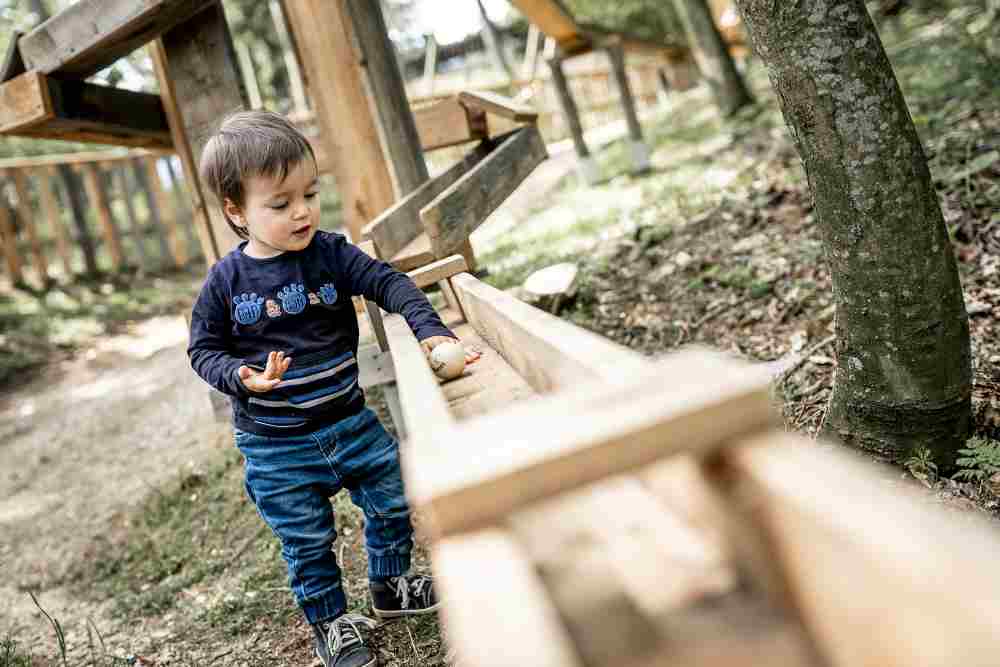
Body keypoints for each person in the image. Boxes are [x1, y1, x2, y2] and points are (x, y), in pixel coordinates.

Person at [188, 110, 474, 667]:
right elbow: (203, 350)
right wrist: (241, 376)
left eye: (310, 193)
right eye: (279, 203)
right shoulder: (225, 283)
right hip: (276, 446)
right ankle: (332, 624)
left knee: (392, 500)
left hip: (349, 422)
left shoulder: (331, 254)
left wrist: (431, 331)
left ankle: (391, 587)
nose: (302, 211)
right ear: (236, 211)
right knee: (307, 540)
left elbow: (388, 282)